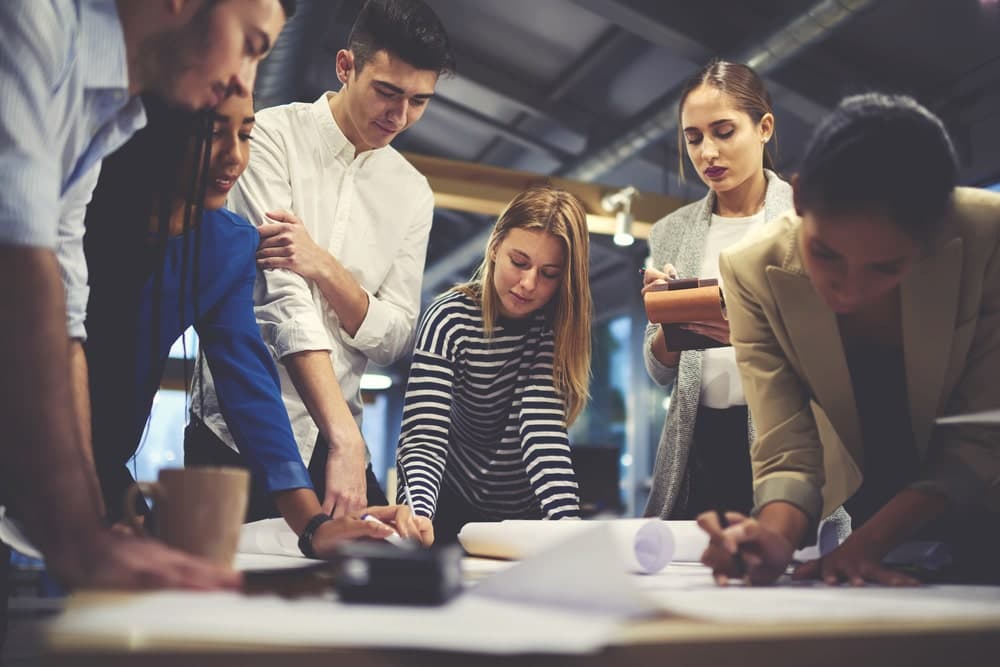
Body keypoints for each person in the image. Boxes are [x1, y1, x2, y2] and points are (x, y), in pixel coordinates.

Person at [0, 0, 295, 591]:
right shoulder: (34, 20)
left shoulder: (112, 114)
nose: (243, 79)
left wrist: (91, 520)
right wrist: (77, 533)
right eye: (250, 44)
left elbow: (64, 313)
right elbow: (19, 256)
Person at [82, 92, 431, 554]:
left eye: (245, 134)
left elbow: (248, 384)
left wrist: (311, 526)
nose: (235, 157)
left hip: (99, 455)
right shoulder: (77, 216)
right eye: (212, 134)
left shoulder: (224, 246)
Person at [699, 93, 1000, 586]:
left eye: (885, 267)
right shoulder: (751, 271)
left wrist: (870, 543)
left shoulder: (990, 237)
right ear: (798, 199)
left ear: (933, 236)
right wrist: (772, 536)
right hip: (877, 511)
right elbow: (785, 445)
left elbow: (983, 435)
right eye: (827, 254)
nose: (850, 290)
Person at [187, 0, 455, 521]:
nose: (400, 117)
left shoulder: (413, 193)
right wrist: (345, 437)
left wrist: (325, 267)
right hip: (236, 434)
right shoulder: (266, 136)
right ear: (345, 66)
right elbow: (277, 296)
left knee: (373, 584)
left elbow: (398, 337)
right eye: (388, 92)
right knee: (222, 596)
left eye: (420, 101)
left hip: (333, 446)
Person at [396, 185, 593, 543]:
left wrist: (568, 527)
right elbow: (425, 436)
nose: (528, 284)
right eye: (518, 262)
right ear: (494, 247)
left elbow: (543, 433)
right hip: (449, 504)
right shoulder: (449, 319)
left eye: (548, 274)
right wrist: (418, 511)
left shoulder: (552, 329)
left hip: (524, 516)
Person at [641, 60, 789, 520]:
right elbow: (659, 368)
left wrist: (742, 329)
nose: (707, 152)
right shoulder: (670, 231)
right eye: (694, 137)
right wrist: (669, 320)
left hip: (784, 439)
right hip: (696, 441)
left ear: (764, 128)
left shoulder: (805, 222)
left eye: (724, 132)